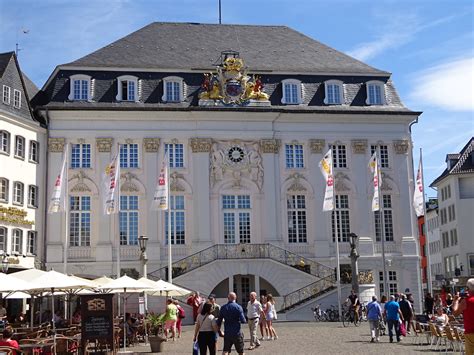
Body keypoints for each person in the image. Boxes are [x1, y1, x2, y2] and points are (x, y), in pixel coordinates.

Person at [452, 278, 474, 355]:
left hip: (470, 332)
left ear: (468, 288)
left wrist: (456, 301)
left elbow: (455, 313)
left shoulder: (466, 301)